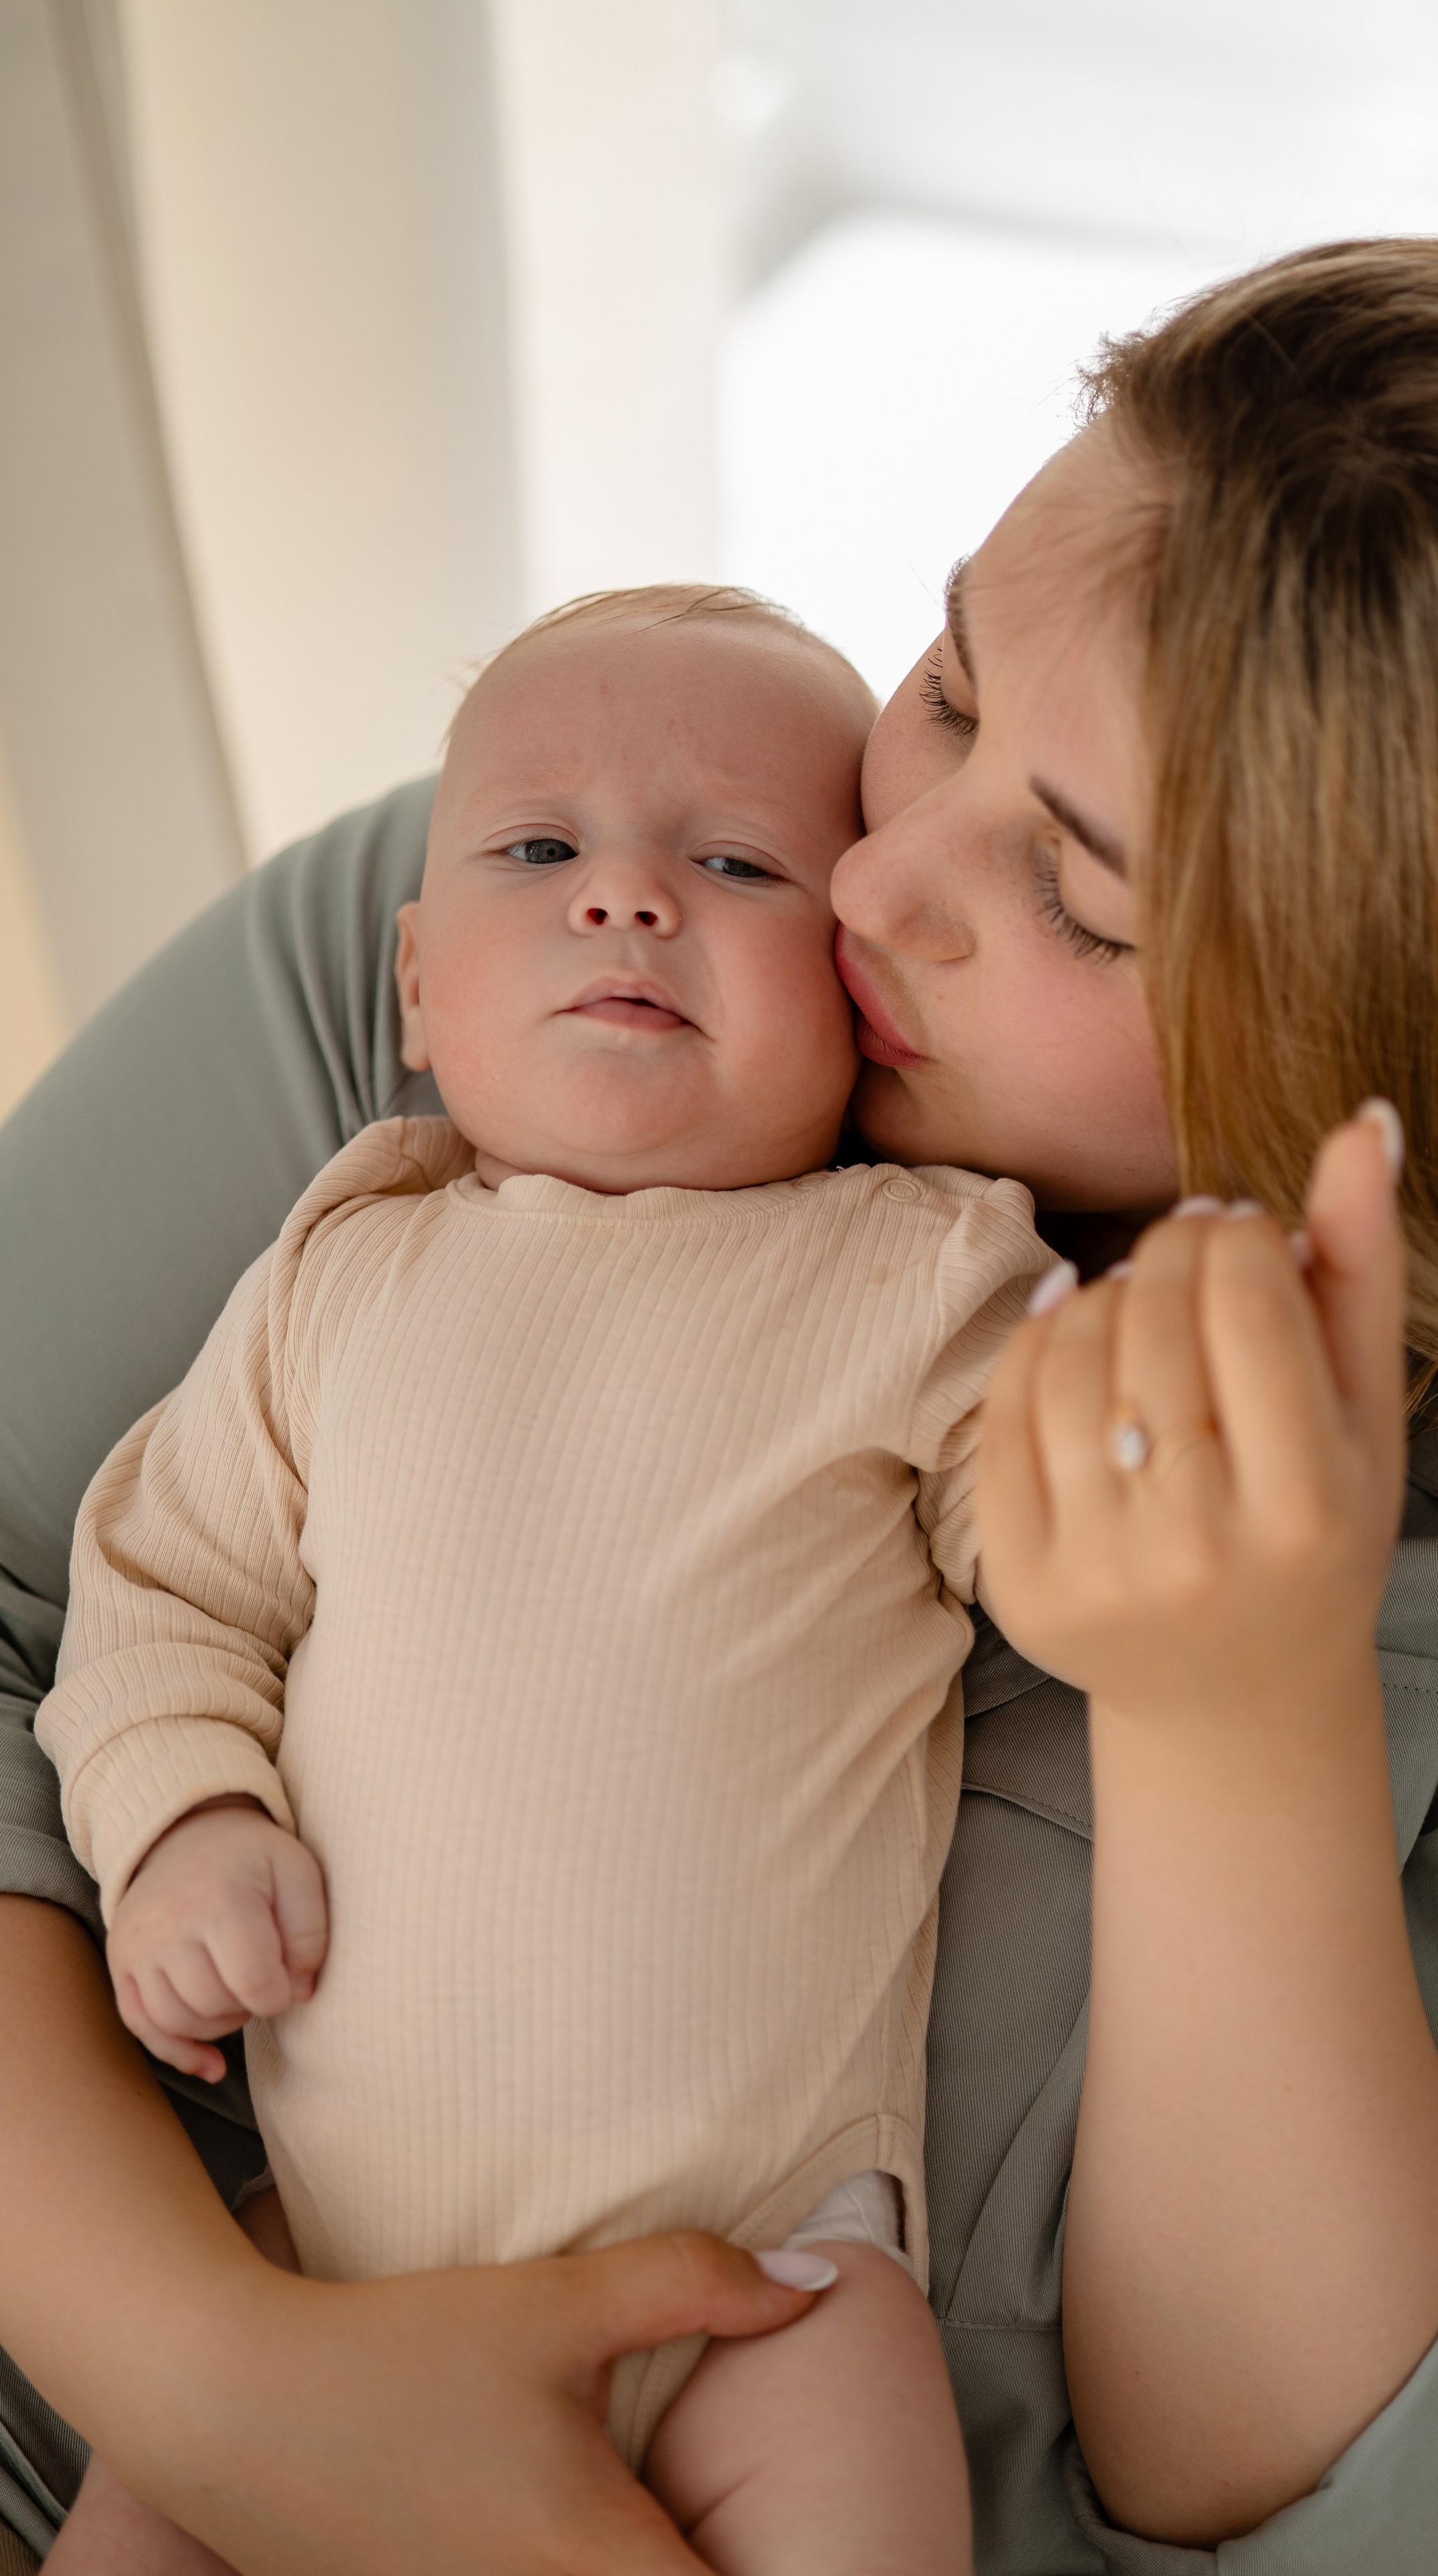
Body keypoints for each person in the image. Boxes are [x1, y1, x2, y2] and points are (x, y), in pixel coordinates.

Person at [3, 233, 1438, 2576]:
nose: (869, 876)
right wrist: (214, 2377)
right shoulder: (549, 939)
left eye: (1085, 908)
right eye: (946, 679)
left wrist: (1240, 1732)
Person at [38, 578, 1047, 2575]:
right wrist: (182, 1817)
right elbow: (163, 1591)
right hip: (319, 2268)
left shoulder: (917, 1268)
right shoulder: (348, 1268)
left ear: (853, 980)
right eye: (538, 849)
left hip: (765, 2273)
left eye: (736, 861)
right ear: (417, 982)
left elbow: (1059, 1536)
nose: (625, 898)